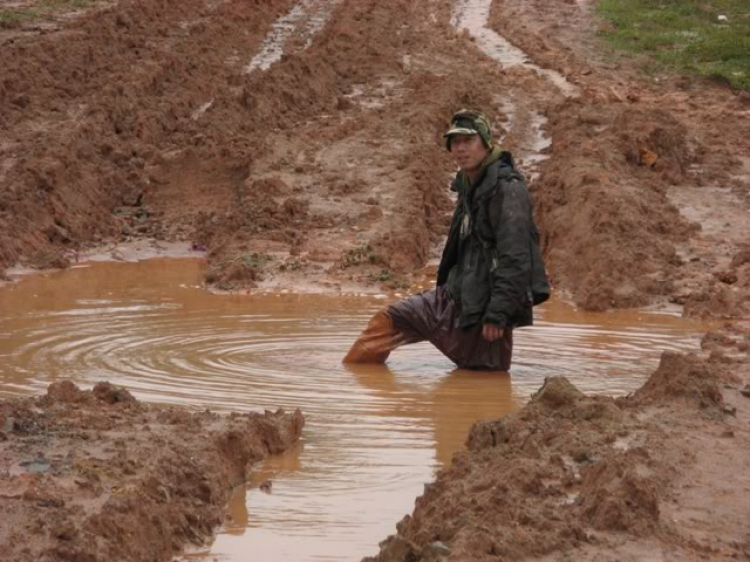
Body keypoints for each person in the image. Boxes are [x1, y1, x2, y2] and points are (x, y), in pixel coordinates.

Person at [343, 109, 550, 371]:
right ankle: (359, 392)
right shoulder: (469, 184)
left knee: (484, 383)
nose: (461, 149)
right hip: (454, 297)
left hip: (484, 310)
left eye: (468, 141)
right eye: (455, 142)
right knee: (387, 322)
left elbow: (516, 258)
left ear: (486, 143)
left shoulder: (508, 190)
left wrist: (498, 315)